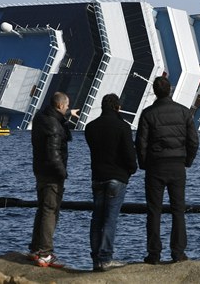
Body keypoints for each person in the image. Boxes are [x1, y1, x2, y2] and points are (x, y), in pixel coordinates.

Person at [136, 76, 199, 264]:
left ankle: (154, 254)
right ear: (170, 90)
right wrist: (187, 160)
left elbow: (141, 143)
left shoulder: (148, 114)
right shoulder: (184, 112)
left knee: (153, 211)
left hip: (155, 166)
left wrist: (144, 164)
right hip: (178, 165)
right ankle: (178, 253)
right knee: (178, 210)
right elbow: (193, 141)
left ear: (155, 91)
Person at [85, 94, 138, 272]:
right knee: (110, 219)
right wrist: (131, 170)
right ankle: (106, 257)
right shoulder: (123, 127)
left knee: (96, 218)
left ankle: (95, 259)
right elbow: (130, 156)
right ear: (118, 107)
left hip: (97, 177)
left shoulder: (90, 127)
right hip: (117, 178)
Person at [29, 92, 79, 267]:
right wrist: (62, 173)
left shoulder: (40, 117)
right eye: (66, 106)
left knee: (42, 209)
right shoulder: (55, 127)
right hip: (52, 175)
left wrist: (68, 113)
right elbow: (54, 155)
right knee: (50, 212)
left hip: (40, 171)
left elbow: (53, 116)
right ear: (60, 106)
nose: (66, 108)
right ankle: (45, 253)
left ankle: (35, 249)